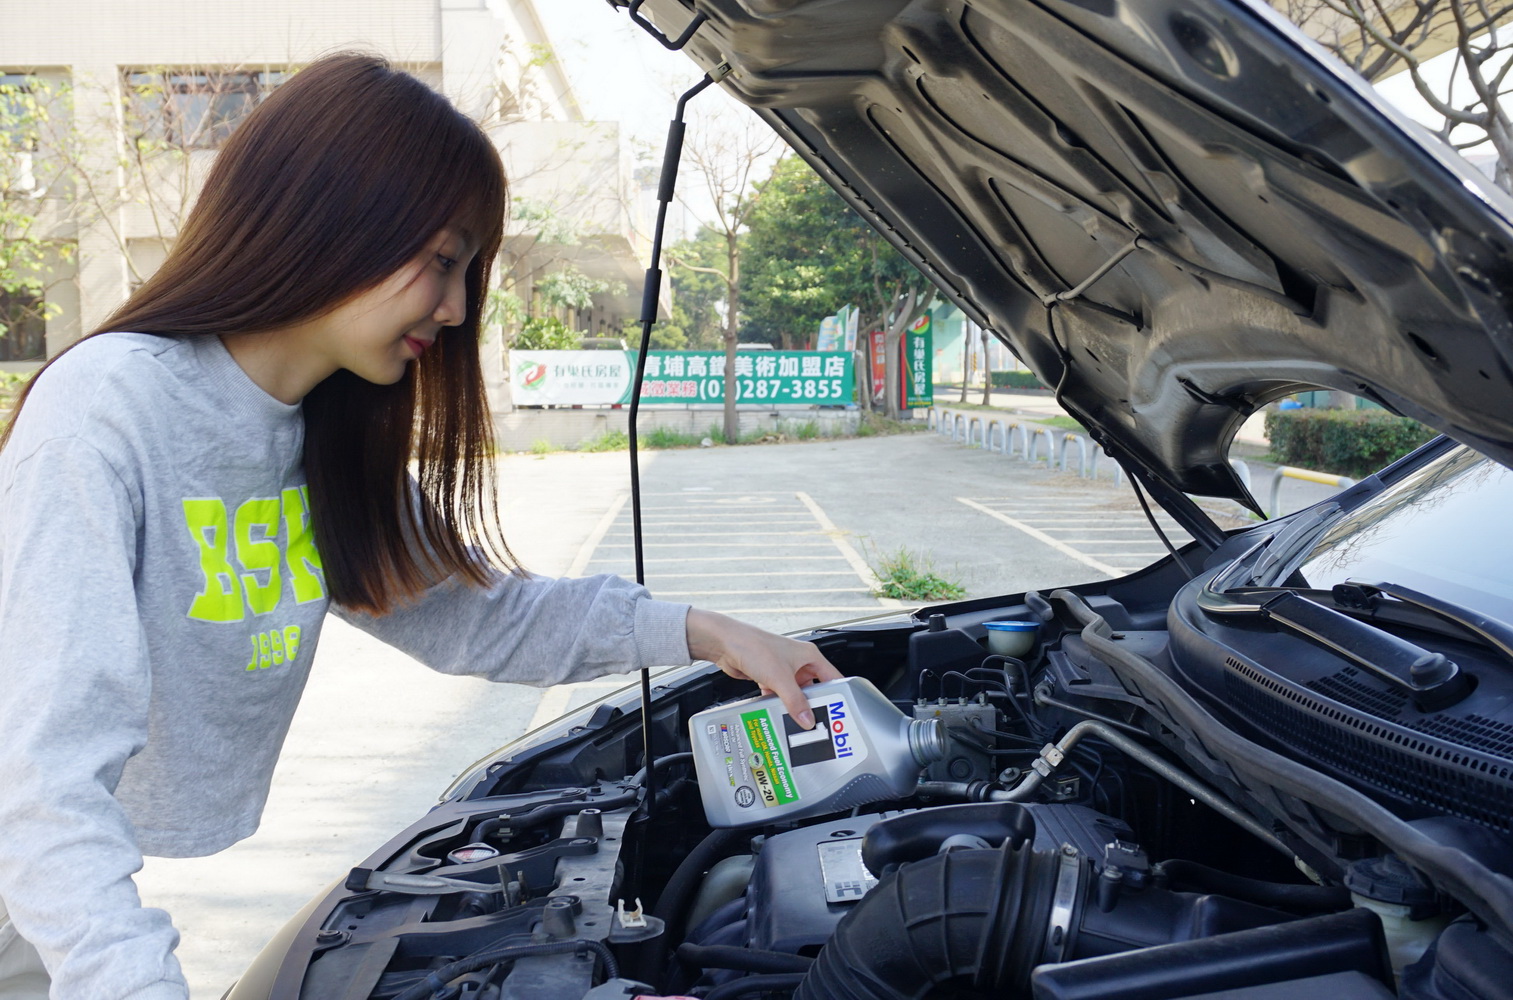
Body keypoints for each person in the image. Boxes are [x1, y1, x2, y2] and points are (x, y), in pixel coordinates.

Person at [0, 53, 840, 999]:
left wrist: (707, 632)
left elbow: (478, 615)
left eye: (466, 270)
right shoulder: (106, 413)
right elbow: (42, 785)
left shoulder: (320, 431)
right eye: (441, 261)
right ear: (327, 216)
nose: (452, 308)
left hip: (54, 868)